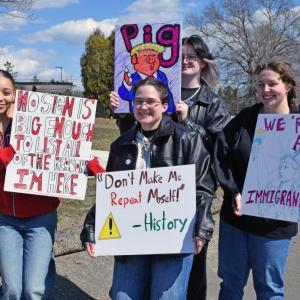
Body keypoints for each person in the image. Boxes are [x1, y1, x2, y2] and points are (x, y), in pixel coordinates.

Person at [110, 34, 231, 300]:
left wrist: (188, 123)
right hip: (142, 209)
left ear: (203, 63)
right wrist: (122, 112)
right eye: (182, 56)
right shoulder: (156, 93)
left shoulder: (211, 103)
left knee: (186, 278)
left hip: (184, 208)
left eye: (193, 57)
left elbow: (218, 150)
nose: (187, 61)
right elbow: (134, 139)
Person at [81, 78, 217, 299]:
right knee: (123, 296)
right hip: (131, 239)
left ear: (164, 106)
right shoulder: (120, 145)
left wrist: (202, 227)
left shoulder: (188, 140)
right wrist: (91, 228)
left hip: (174, 239)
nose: (144, 107)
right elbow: (110, 194)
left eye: (151, 102)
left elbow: (203, 187)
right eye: (138, 101)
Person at [0, 69, 105, 299]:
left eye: (6, 92)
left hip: (41, 217)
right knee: (11, 289)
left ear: (16, 95)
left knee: (34, 289)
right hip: (5, 220)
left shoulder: (38, 120)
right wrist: (14, 150)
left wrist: (96, 169)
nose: (1, 97)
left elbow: (69, 147)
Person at [214, 59, 298, 299]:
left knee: (270, 289)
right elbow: (221, 155)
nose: (265, 90)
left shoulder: (298, 125)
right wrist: (233, 191)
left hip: (275, 224)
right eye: (260, 84)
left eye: (272, 83)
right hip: (237, 219)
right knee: (230, 284)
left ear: (288, 86)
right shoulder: (245, 119)